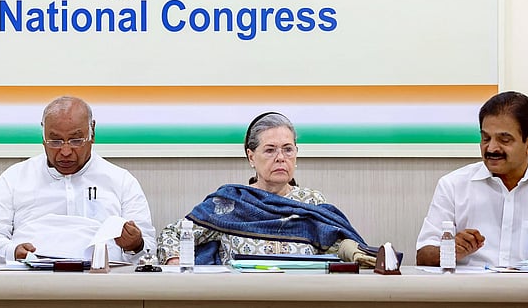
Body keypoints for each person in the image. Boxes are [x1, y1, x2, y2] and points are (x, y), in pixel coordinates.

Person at [156, 112, 376, 266]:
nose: (281, 158)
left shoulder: (311, 202)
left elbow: (338, 246)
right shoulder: (231, 202)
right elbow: (171, 235)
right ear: (251, 157)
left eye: (288, 149)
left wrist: (355, 252)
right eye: (270, 150)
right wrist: (178, 264)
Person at [0, 96, 156, 264]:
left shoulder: (121, 181)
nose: (65, 151)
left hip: (101, 280)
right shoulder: (14, 177)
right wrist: (13, 252)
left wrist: (135, 245)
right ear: (43, 135)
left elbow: (148, 250)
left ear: (92, 132)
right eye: (55, 141)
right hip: (30, 279)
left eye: (76, 140)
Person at [416, 91, 528, 268]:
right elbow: (423, 255)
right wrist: (449, 250)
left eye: (504, 140)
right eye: (486, 138)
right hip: (468, 286)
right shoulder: (453, 185)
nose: (491, 148)